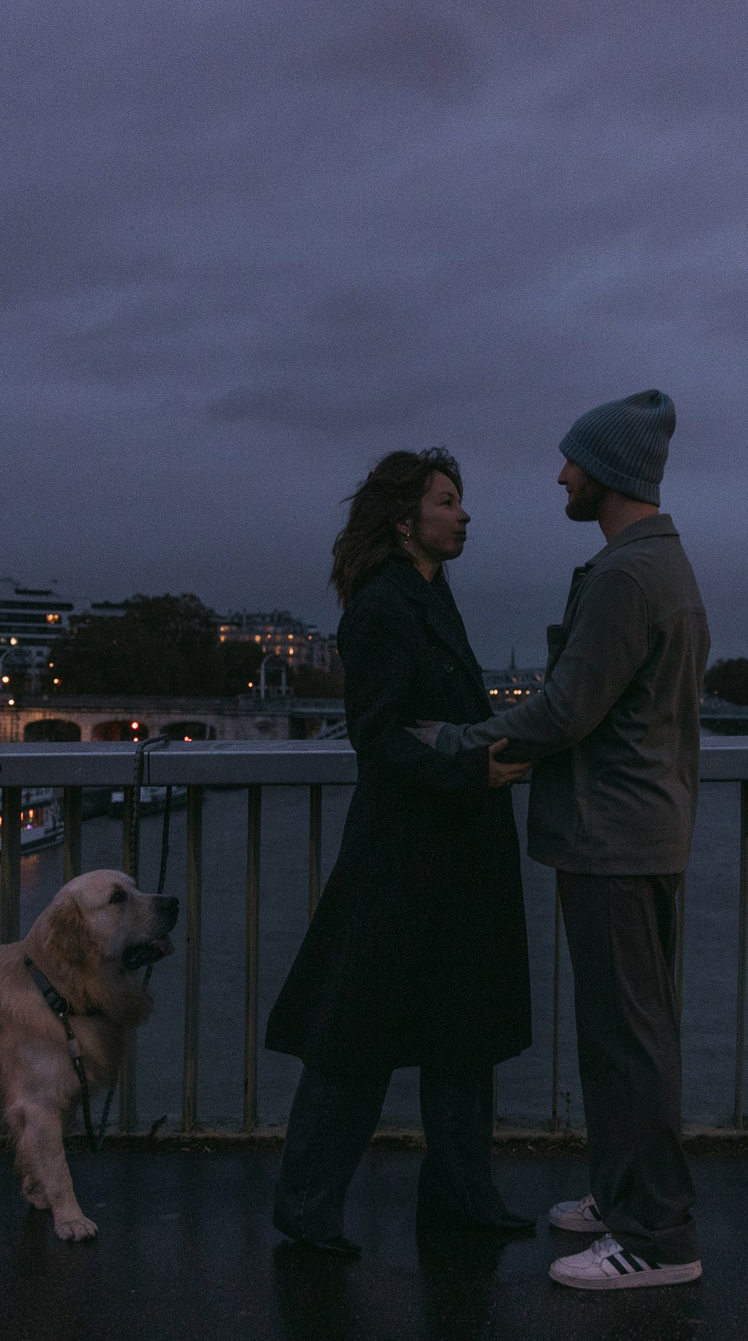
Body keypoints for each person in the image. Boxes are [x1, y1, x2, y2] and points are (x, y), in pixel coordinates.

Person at [446, 389, 710, 1290]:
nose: (561, 475)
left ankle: (658, 1238)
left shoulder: (626, 577)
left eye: (573, 460)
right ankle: (625, 1192)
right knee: (628, 1032)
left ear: (608, 471)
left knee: (627, 1040)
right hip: (641, 828)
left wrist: (463, 742)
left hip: (613, 837)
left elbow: (566, 708)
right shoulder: (660, 565)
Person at [265, 449, 537, 1257]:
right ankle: (312, 1204)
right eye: (447, 501)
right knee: (364, 1032)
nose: (463, 513)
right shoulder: (385, 607)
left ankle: (456, 1194)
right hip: (406, 855)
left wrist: (463, 752)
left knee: (456, 1029)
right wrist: (471, 766)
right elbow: (380, 736)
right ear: (404, 520)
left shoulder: (423, 594)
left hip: (442, 849)